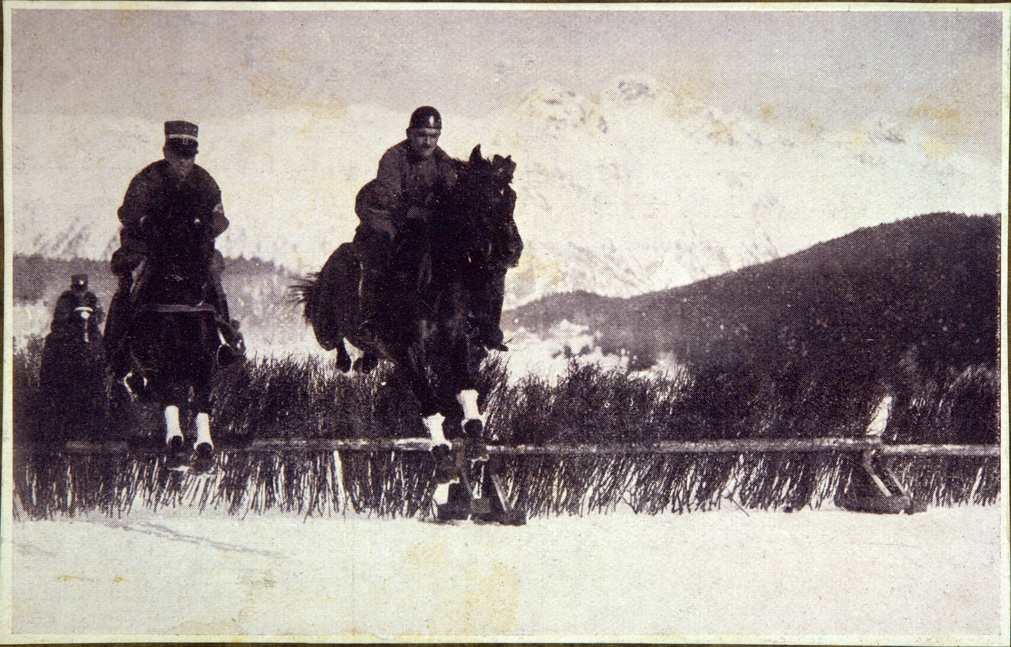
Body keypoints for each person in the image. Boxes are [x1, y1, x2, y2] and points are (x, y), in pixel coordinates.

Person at [353, 106, 509, 350]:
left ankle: (479, 321)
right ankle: (371, 318)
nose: (427, 142)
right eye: (422, 135)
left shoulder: (442, 161)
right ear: (409, 133)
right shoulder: (393, 157)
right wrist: (416, 211)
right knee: (380, 249)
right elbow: (389, 196)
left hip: (423, 222)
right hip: (388, 218)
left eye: (433, 136)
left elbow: (450, 190)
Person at [104, 121, 231, 378]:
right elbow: (128, 210)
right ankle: (116, 345)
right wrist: (146, 223)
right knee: (131, 275)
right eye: (178, 154)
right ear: (166, 152)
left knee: (214, 273)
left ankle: (224, 337)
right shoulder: (148, 177)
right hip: (150, 245)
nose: (184, 160)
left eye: (189, 155)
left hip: (190, 248)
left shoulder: (204, 181)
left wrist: (204, 229)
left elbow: (219, 218)